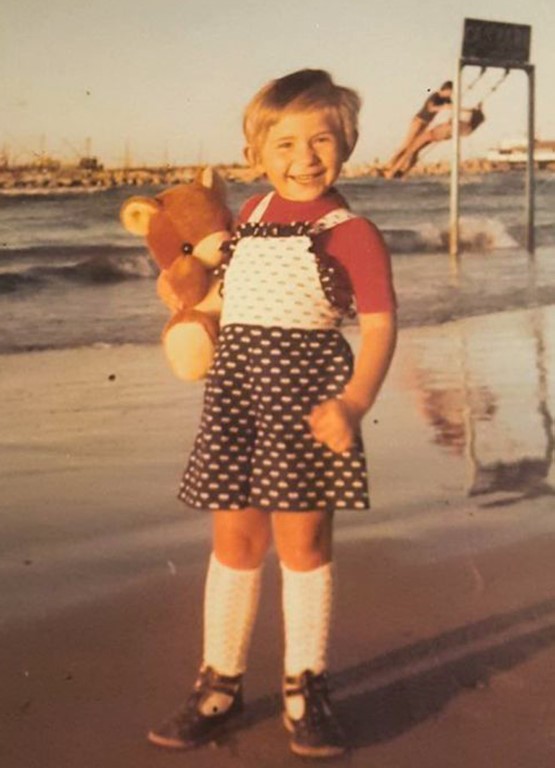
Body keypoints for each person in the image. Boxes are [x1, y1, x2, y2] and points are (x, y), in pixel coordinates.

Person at [147, 68, 397, 759]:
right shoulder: (249, 215)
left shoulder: (351, 232)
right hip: (236, 399)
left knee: (302, 546)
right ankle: (218, 685)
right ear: (256, 154)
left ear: (346, 145)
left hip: (309, 405)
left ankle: (303, 688)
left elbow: (378, 329)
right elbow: (205, 281)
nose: (304, 157)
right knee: (234, 544)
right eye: (284, 144)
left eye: (321, 140)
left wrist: (354, 402)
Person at [387, 104, 485, 178]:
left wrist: (469, 111)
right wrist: (478, 111)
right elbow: (453, 124)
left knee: (411, 149)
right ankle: (404, 172)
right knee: (415, 150)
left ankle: (393, 171)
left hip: (433, 134)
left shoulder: (462, 126)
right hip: (437, 136)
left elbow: (451, 123)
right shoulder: (468, 130)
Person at [384, 80, 453, 177]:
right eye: (450, 92)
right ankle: (390, 164)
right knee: (407, 145)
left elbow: (452, 107)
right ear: (445, 90)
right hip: (418, 122)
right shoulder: (435, 96)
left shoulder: (447, 99)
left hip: (425, 124)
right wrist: (443, 107)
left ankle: (404, 171)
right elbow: (431, 108)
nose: (451, 95)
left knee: (415, 149)